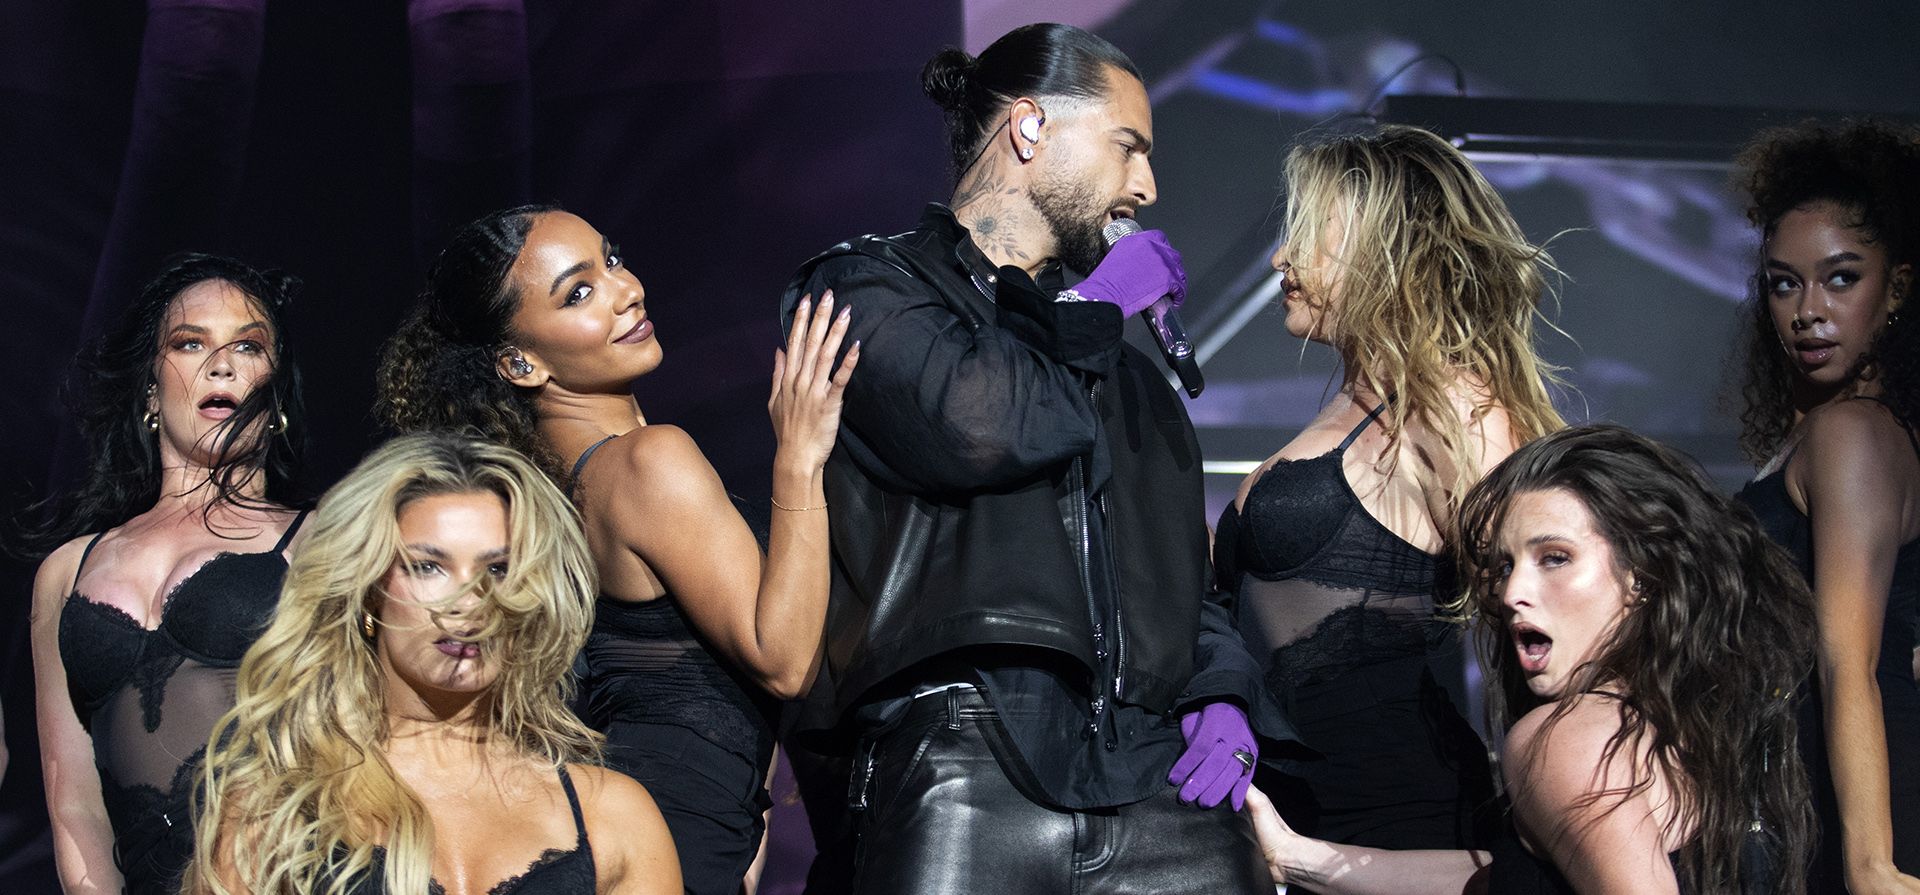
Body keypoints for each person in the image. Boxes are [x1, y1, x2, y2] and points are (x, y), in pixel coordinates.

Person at [779, 22, 1288, 893]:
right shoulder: (868, 289)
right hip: (964, 760)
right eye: (1128, 148)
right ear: (1029, 127)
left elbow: (1183, 585)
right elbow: (977, 425)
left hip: (1157, 781)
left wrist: (1223, 689)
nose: (1148, 186)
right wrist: (1095, 308)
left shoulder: (1122, 368)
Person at [377, 205, 855, 895]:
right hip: (668, 846)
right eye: (579, 291)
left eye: (612, 259)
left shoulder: (547, 496)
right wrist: (800, 458)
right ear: (520, 361)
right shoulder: (648, 461)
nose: (625, 287)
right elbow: (784, 660)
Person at [1244, 425, 1816, 894]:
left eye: (1555, 558)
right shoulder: (1695, 728)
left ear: (1641, 576)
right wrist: (1298, 858)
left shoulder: (1569, 740)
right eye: (1504, 565)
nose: (1512, 591)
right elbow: (1508, 881)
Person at [1212, 125, 1564, 859]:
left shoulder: (1454, 410)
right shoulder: (1351, 407)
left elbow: (1548, 615)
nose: (1282, 256)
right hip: (1296, 831)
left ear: (1384, 248)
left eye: (1306, 233)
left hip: (1398, 829)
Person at [186, 432, 679, 894]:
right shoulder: (278, 812)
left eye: (499, 569)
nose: (469, 601)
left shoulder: (611, 815)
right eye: (427, 567)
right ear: (369, 591)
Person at [26, 254, 309, 895]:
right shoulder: (66, 571)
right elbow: (73, 799)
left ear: (277, 389)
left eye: (250, 345)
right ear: (152, 388)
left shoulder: (325, 539)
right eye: (190, 343)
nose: (223, 362)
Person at [1730, 120, 1920, 892]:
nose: (1808, 309)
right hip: (1803, 789)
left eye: (1841, 278)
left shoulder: (1851, 433)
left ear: (1897, 288)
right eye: (1784, 282)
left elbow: (1849, 661)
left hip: (1852, 809)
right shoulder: (1832, 432)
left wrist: (1871, 862)